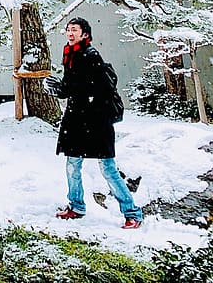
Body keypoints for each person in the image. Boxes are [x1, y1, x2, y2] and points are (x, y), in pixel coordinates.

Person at [46, 16, 143, 229]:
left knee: (107, 168)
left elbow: (88, 87)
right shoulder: (71, 55)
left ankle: (132, 212)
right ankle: (77, 206)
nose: (70, 33)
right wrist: (60, 89)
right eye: (68, 29)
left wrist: (63, 90)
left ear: (85, 34)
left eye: (75, 30)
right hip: (77, 120)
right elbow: (73, 87)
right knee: (73, 164)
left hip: (97, 121)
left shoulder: (89, 56)